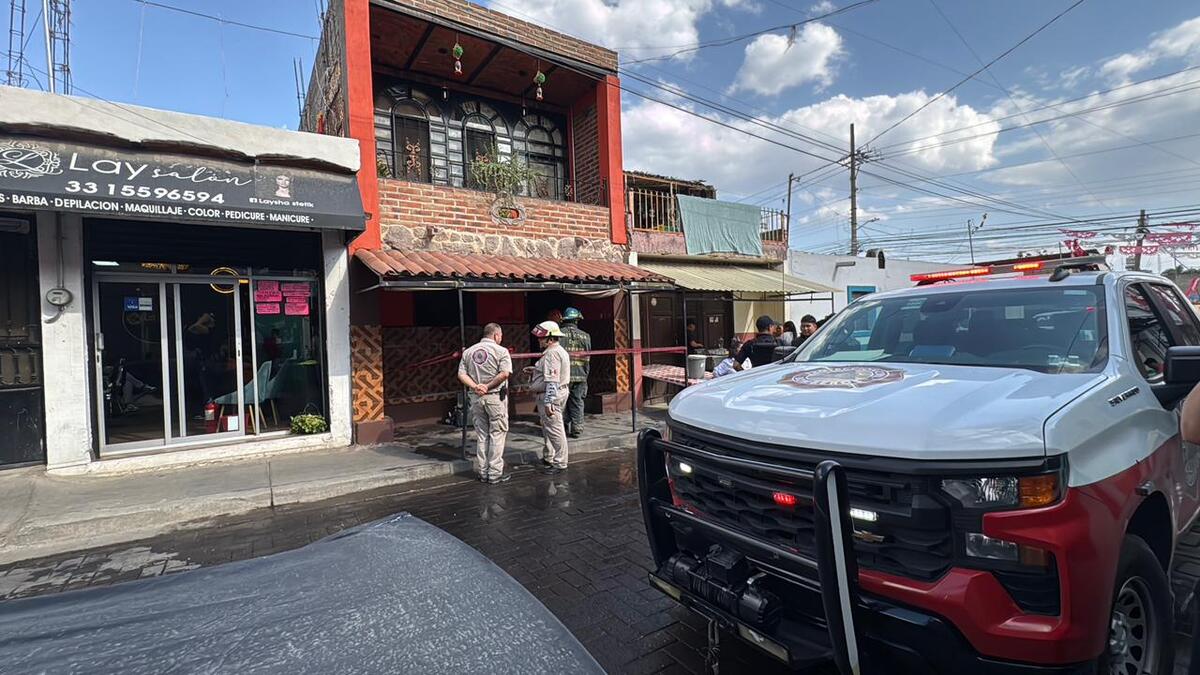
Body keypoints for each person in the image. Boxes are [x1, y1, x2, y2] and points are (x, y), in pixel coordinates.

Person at [457, 323, 513, 484]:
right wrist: (487, 387)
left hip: (476, 398)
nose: (501, 339)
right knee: (497, 434)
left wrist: (476, 387)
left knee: (482, 435)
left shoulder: (468, 352)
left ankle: (482, 471)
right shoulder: (501, 351)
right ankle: (494, 473)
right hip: (495, 397)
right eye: (500, 336)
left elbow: (461, 374)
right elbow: (504, 374)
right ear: (496, 335)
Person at [526, 320, 571, 474]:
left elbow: (552, 380)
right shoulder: (557, 351)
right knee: (550, 428)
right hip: (557, 392)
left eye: (541, 338)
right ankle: (550, 457)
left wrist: (548, 401)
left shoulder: (552, 354)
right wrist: (536, 370)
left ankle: (560, 462)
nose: (539, 340)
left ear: (550, 339)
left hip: (551, 394)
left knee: (554, 428)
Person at [560, 307, 591, 439]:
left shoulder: (558, 335)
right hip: (580, 374)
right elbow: (588, 357)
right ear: (576, 320)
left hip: (563, 376)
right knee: (577, 401)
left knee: (562, 402)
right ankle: (577, 428)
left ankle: (563, 427)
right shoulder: (586, 336)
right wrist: (585, 374)